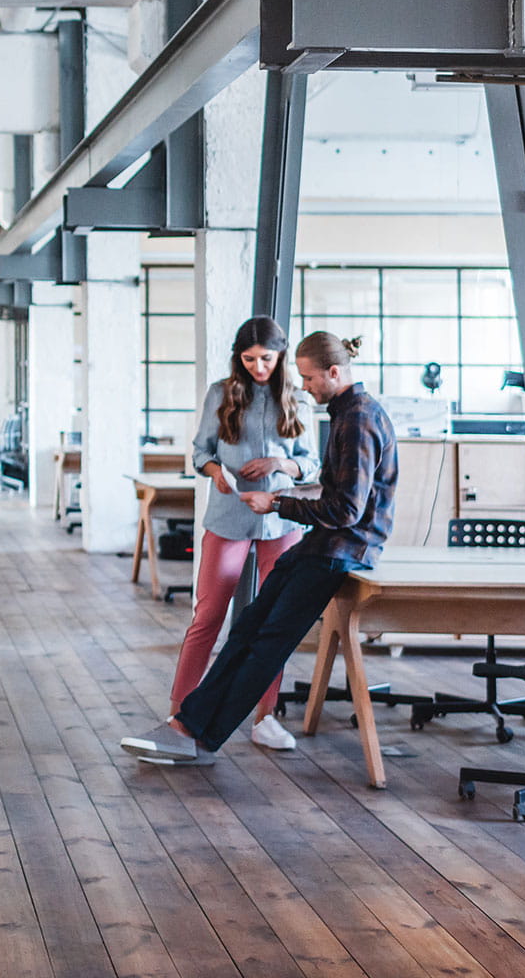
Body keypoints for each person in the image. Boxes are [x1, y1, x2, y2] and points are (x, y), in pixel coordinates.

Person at [122, 331, 395, 764]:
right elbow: (335, 493)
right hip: (323, 544)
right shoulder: (347, 413)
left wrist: (278, 503)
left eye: (310, 378)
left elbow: (346, 509)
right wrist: (283, 496)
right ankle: (186, 726)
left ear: (334, 372)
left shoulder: (359, 419)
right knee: (249, 626)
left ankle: (197, 735)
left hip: (343, 550)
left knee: (268, 639)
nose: (305, 386)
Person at [171, 316, 317, 754]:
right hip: (229, 515)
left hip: (282, 519)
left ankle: (265, 717)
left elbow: (311, 464)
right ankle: (180, 713)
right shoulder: (221, 393)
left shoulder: (299, 399)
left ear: (280, 356)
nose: (258, 367)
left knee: (273, 624)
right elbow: (200, 451)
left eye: (266, 359)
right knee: (208, 616)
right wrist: (215, 471)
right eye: (249, 359)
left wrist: (280, 464)